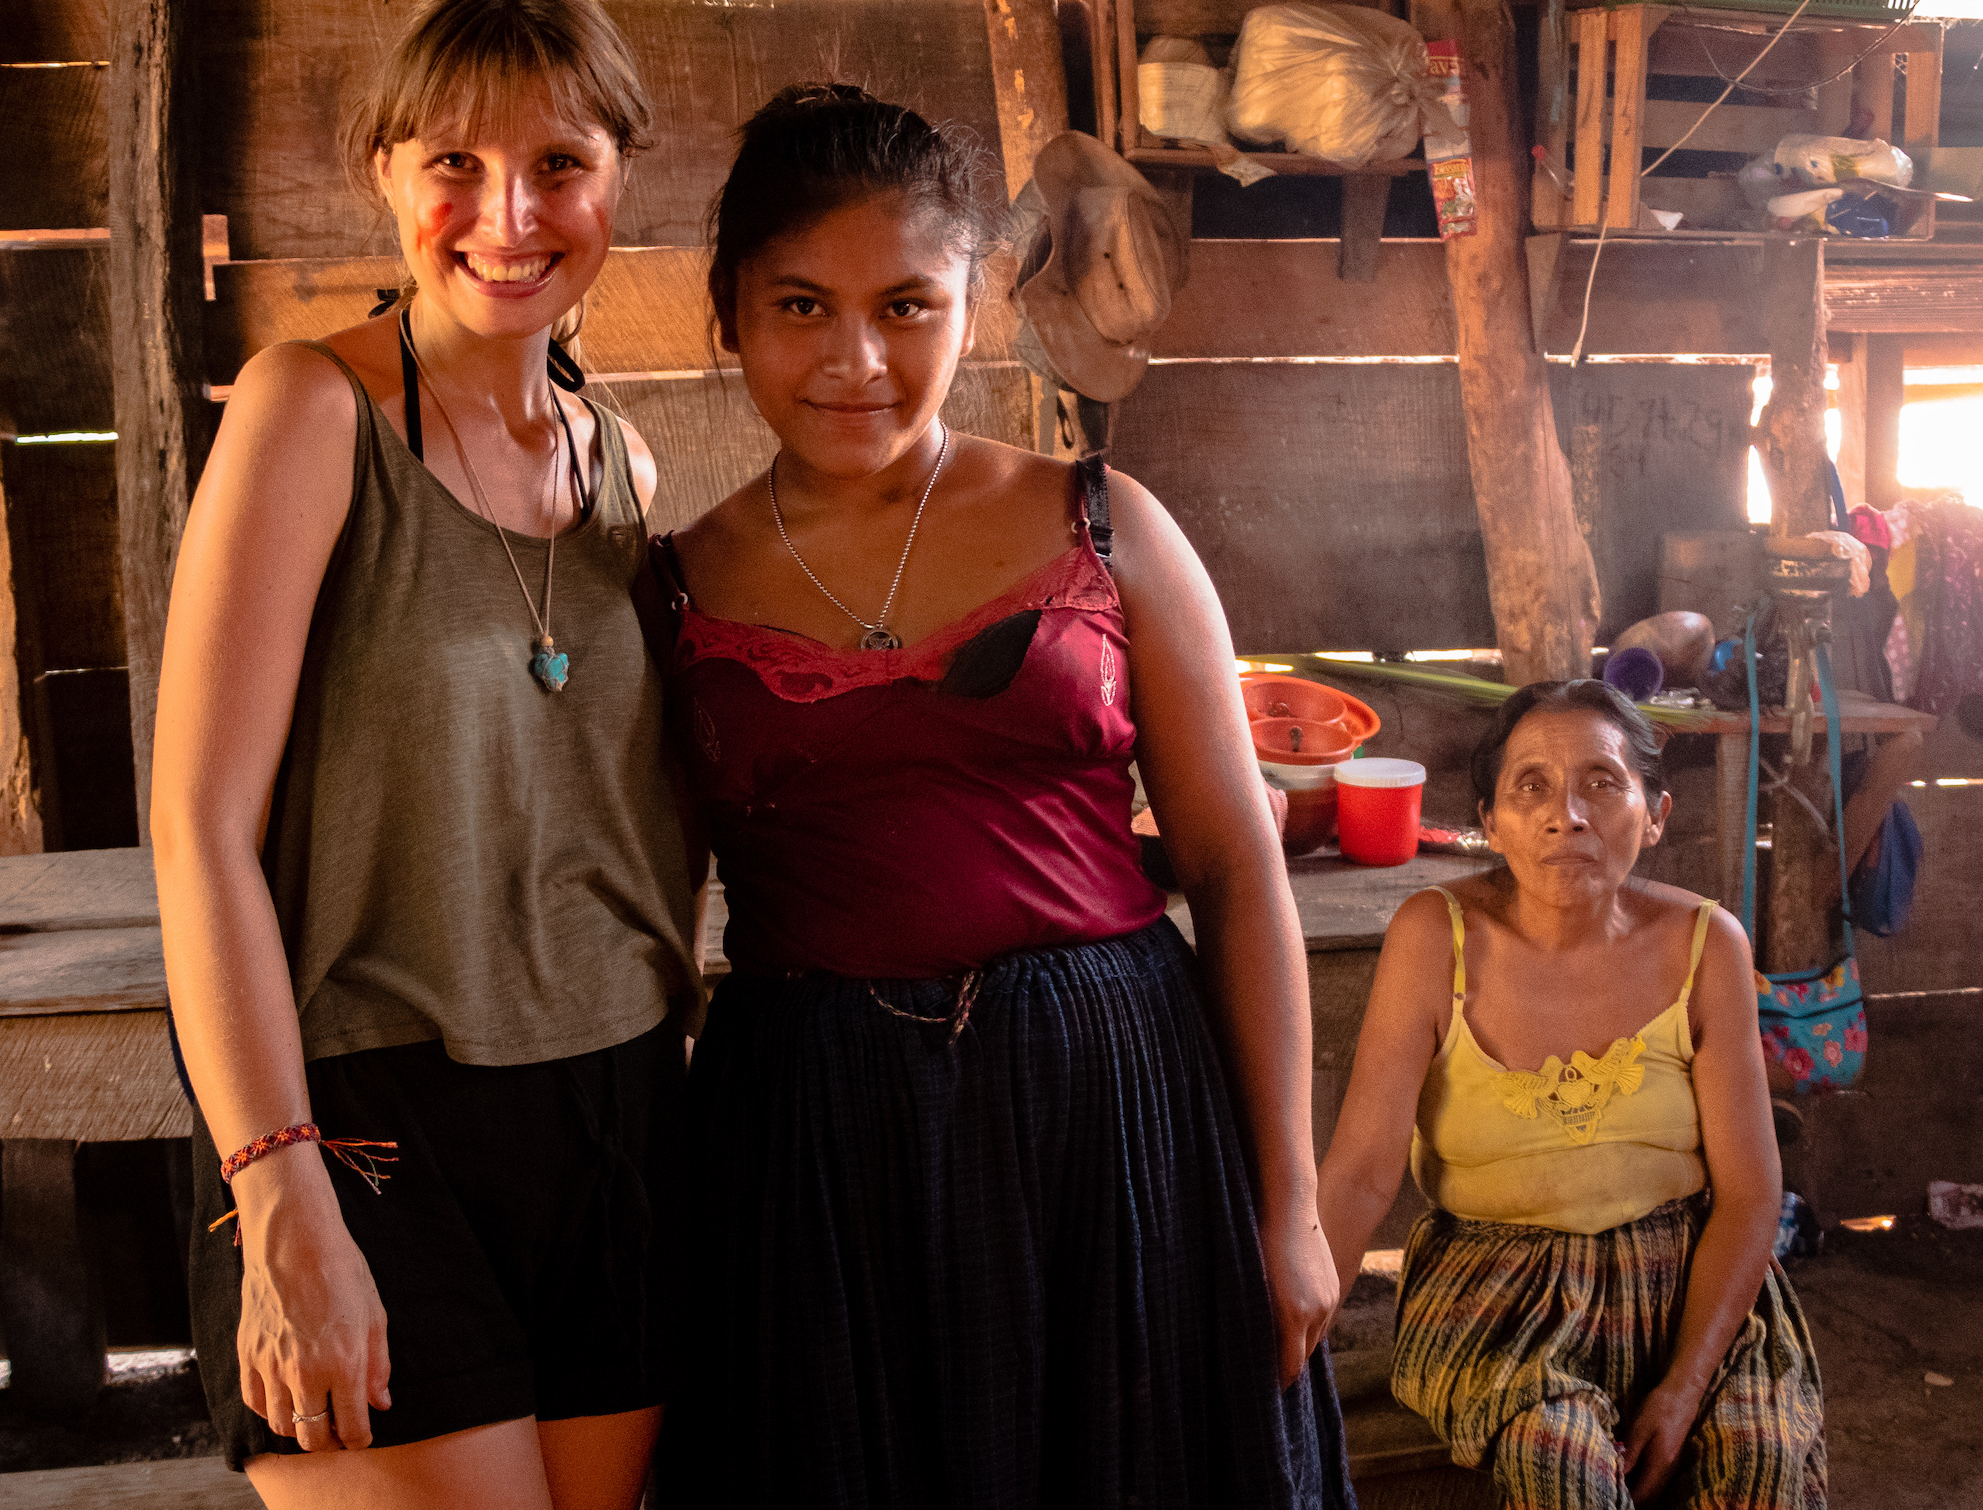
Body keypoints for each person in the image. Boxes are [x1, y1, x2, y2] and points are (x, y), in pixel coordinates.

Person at [648, 84, 1353, 1509]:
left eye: (905, 306)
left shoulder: (1103, 524)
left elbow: (1235, 875)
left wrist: (1288, 1203)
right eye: (800, 307)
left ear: (970, 307)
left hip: (1116, 1111)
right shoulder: (671, 592)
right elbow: (649, 927)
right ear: (727, 316)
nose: (855, 359)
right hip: (817, 1144)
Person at [151, 0, 701, 1510]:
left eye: (559, 163)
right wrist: (279, 1193)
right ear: (384, 172)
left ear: (616, 180)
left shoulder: (624, 465)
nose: (508, 214)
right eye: (455, 160)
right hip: (364, 1122)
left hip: (617, 1107)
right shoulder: (306, 411)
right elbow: (196, 830)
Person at [1317, 680, 1825, 1508]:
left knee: (1758, 1461)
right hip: (1495, 1297)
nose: (1567, 815)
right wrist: (1283, 1346)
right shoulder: (1435, 936)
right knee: (1560, 1465)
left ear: (1653, 814)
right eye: (1531, 786)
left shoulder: (1704, 944)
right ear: (1490, 821)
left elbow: (1747, 1195)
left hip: (1686, 1285)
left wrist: (1684, 1385)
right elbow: (1359, 1176)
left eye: (1600, 781)